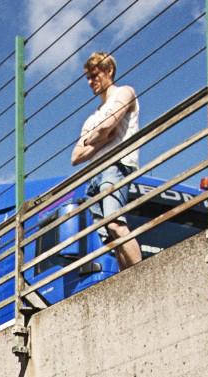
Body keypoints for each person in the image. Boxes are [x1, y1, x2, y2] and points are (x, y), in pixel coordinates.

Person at [71, 53, 143, 271]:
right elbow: (75, 156)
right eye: (88, 78)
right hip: (95, 174)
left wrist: (92, 140)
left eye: (94, 75)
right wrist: (100, 140)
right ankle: (127, 277)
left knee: (115, 222)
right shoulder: (92, 116)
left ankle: (143, 274)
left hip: (117, 165)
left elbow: (107, 127)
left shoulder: (124, 92)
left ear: (108, 71)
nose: (91, 82)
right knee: (109, 235)